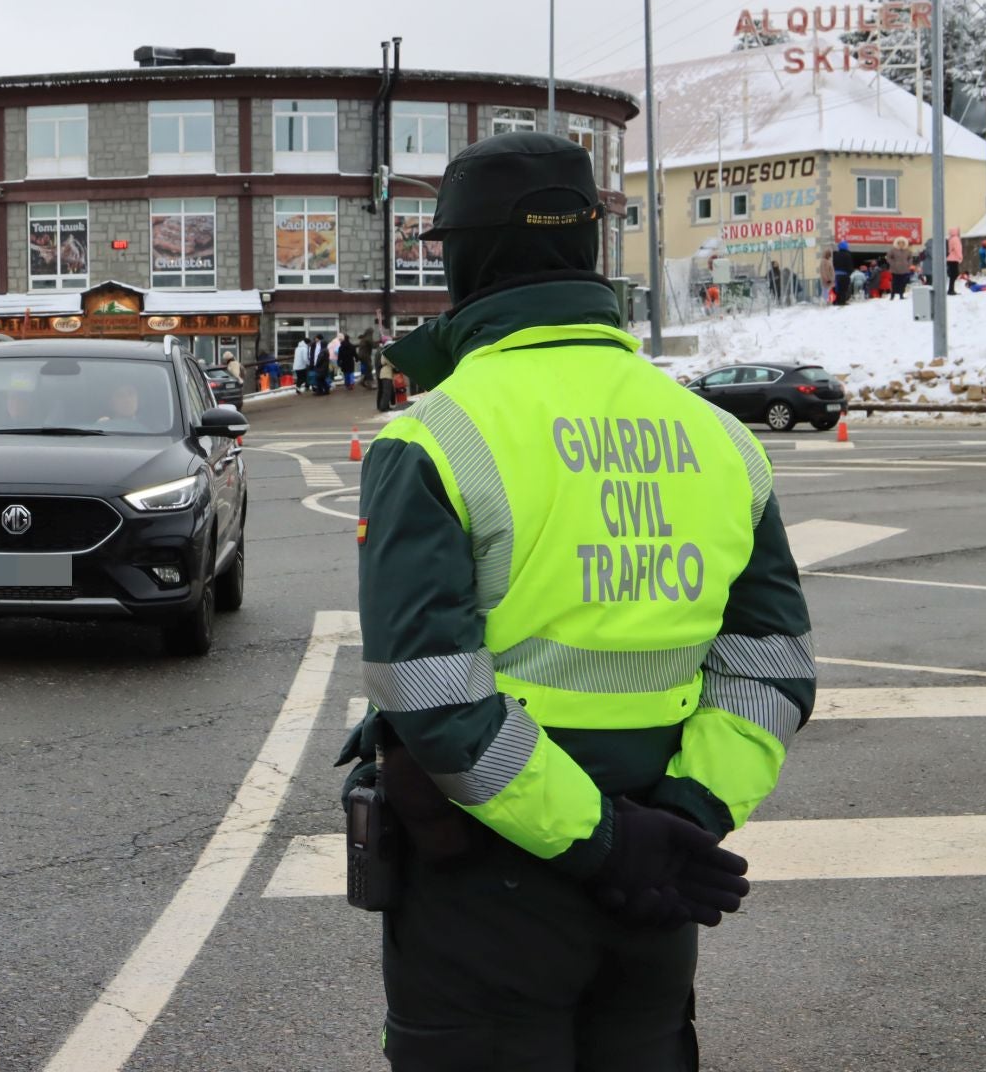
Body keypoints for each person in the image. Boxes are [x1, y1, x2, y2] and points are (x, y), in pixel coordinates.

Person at [341, 131, 812, 1067]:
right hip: (661, 878)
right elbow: (771, 668)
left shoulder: (435, 436)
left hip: (487, 879)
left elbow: (431, 692)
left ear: (463, 256)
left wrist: (602, 841)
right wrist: (685, 819)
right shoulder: (718, 436)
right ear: (592, 242)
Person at [832, 239, 856, 306]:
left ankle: (836, 301)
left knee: (837, 289)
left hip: (836, 275)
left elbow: (833, 264)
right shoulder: (847, 255)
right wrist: (849, 273)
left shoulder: (835, 255)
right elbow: (849, 266)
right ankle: (842, 302)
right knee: (843, 289)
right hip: (844, 275)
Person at [948, 228, 965, 295]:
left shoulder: (951, 239)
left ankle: (951, 289)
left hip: (950, 259)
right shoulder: (956, 239)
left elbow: (950, 249)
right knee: (954, 275)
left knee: (953, 275)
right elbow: (958, 249)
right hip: (954, 259)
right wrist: (960, 256)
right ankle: (951, 290)